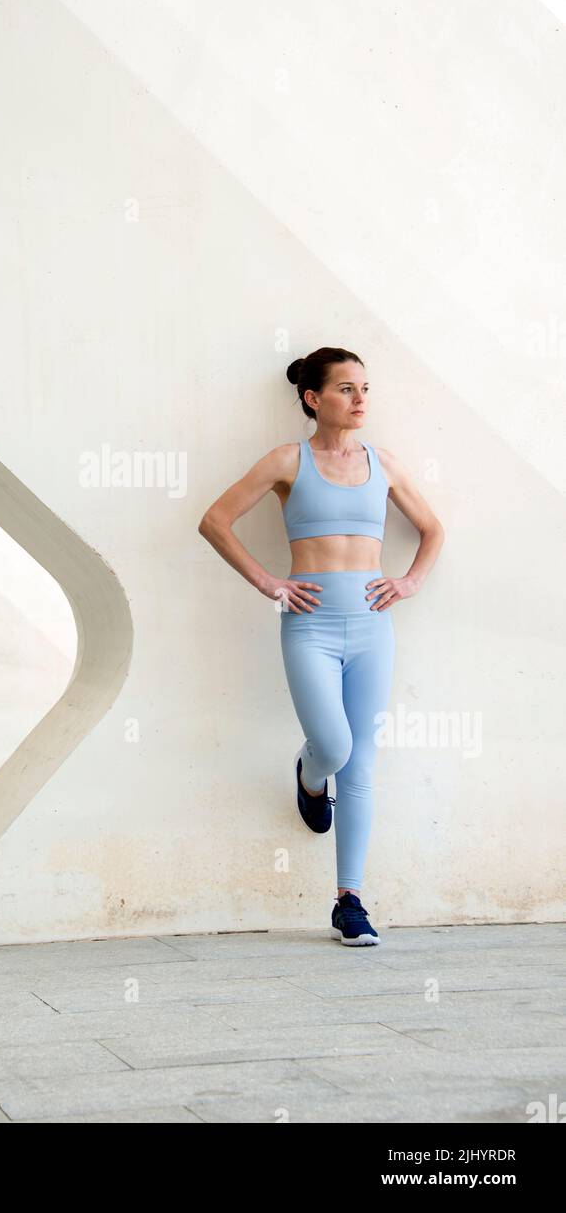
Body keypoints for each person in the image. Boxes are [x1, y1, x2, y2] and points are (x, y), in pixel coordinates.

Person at [197, 347, 445, 945]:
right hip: (309, 624)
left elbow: (433, 529)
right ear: (313, 398)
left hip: (370, 626)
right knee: (332, 745)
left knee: (361, 762)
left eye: (365, 389)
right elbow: (214, 520)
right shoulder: (288, 460)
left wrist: (409, 582)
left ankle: (349, 900)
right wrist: (269, 583)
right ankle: (310, 777)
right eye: (345, 389)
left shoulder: (383, 464)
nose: (360, 399)